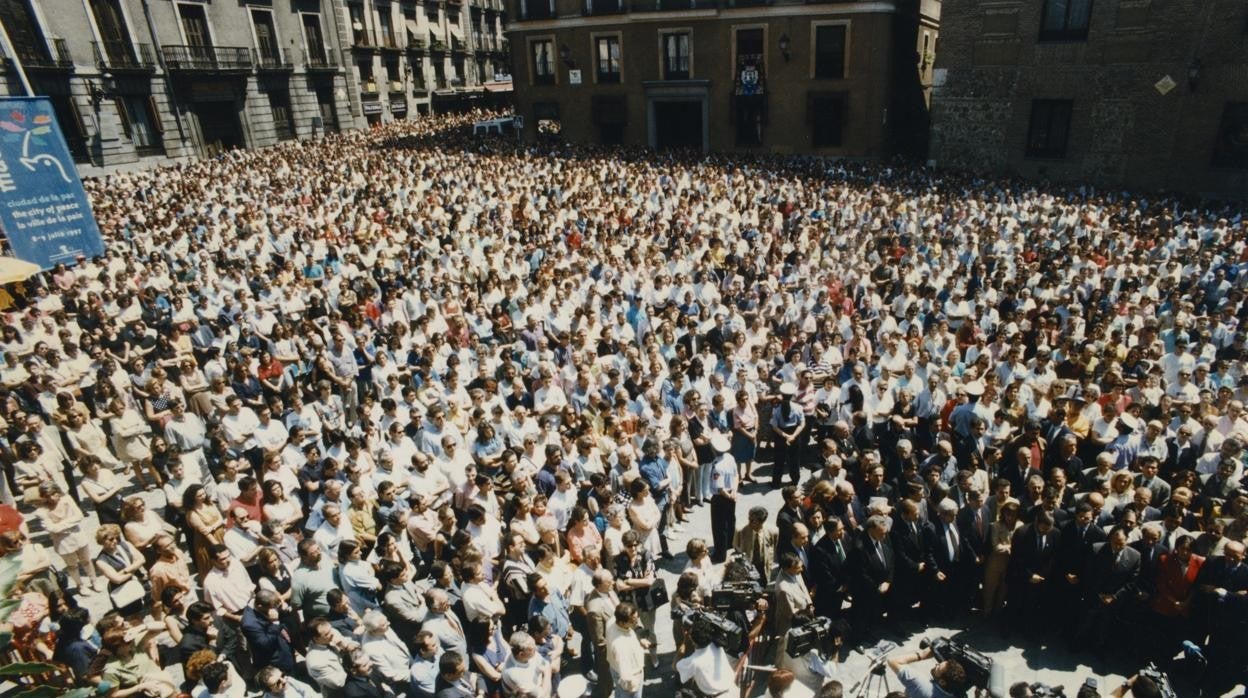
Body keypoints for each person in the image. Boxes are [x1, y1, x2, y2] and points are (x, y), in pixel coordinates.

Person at [885, 644, 967, 698]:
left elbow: (893, 661)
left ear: (942, 681)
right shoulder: (958, 693)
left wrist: (922, 655)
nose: (936, 665)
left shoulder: (920, 684)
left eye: (938, 667)